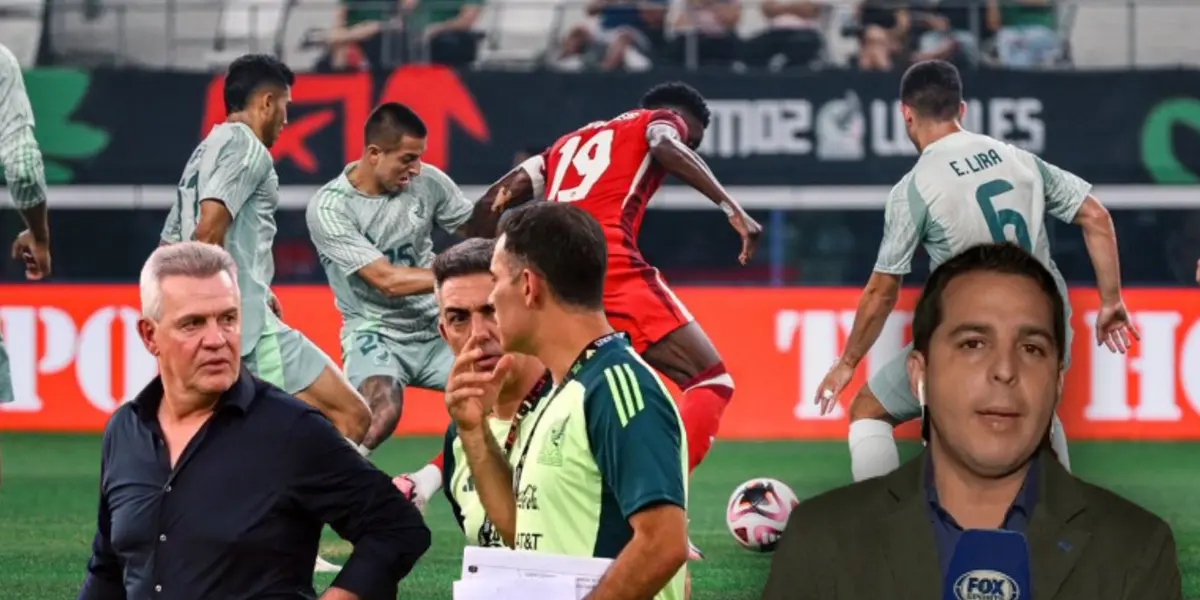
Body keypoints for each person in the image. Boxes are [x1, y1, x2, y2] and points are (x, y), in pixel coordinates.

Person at [761, 243, 1182, 600]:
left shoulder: (1138, 547)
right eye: (973, 343)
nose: (1004, 369)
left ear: (1057, 382)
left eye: (1032, 348)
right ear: (918, 375)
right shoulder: (819, 539)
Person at [813, 59, 1139, 482]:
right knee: (1034, 416)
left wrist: (847, 360)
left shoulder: (915, 187)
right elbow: (1096, 217)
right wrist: (1111, 301)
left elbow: (882, 291)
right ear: (961, 110)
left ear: (905, 113)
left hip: (974, 333)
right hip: (1046, 321)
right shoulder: (1018, 158)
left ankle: (880, 532)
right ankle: (1061, 528)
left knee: (869, 411)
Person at [484, 82, 761, 557]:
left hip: (552, 275)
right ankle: (661, 512)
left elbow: (497, 195)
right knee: (711, 381)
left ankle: (502, 501)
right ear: (677, 117)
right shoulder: (659, 122)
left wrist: (474, 259)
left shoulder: (565, 144)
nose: (685, 148)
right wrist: (729, 206)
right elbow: (662, 143)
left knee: (555, 390)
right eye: (691, 140)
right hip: (607, 262)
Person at [78, 242, 431, 600]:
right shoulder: (125, 430)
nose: (217, 339)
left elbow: (396, 528)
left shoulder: (292, 430)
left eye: (228, 318)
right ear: (149, 335)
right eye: (193, 324)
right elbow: (109, 567)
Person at [450, 202, 689, 600]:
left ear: (528, 285)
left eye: (495, 281)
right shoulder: (567, 388)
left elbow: (663, 544)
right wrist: (473, 430)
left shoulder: (616, 385)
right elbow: (521, 529)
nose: (492, 298)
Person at [306, 102, 499, 452]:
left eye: (420, 157)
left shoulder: (428, 183)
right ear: (374, 153)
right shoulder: (330, 208)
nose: (417, 168)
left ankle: (444, 485)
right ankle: (326, 491)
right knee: (378, 413)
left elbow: (478, 230)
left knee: (507, 392)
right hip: (376, 332)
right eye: (408, 158)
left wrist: (511, 199)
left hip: (437, 326)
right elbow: (386, 280)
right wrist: (455, 274)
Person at [391, 238, 552, 546]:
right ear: (443, 332)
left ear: (530, 305)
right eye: (458, 319)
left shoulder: (583, 404)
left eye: (492, 310)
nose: (478, 334)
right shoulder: (459, 436)